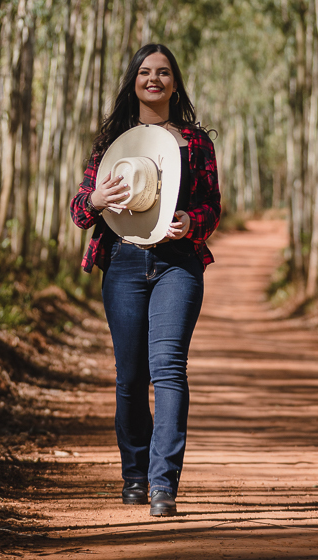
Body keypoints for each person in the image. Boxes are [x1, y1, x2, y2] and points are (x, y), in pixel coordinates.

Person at [70, 43, 221, 518]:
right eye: (144, 72)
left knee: (169, 368)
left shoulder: (197, 143)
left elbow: (212, 207)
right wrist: (96, 200)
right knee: (131, 377)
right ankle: (134, 475)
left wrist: (191, 224)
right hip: (123, 264)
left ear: (175, 83)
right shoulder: (112, 142)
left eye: (163, 72)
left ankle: (163, 484)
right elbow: (79, 211)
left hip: (178, 263)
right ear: (133, 80)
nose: (153, 79)